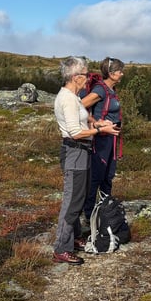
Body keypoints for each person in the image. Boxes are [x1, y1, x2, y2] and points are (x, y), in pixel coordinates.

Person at [53, 57, 119, 265]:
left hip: (81, 152)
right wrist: (101, 130)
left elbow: (83, 119)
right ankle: (61, 248)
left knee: (79, 199)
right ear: (75, 77)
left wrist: (97, 122)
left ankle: (73, 238)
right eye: (86, 75)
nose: (88, 79)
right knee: (73, 201)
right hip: (75, 152)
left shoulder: (73, 97)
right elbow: (74, 132)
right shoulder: (67, 99)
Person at [81, 56, 124, 219]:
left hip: (110, 140)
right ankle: (88, 215)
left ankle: (104, 211)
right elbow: (79, 106)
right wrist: (96, 123)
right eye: (120, 71)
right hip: (101, 141)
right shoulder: (100, 90)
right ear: (112, 73)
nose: (122, 74)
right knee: (96, 177)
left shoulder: (111, 90)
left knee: (108, 176)